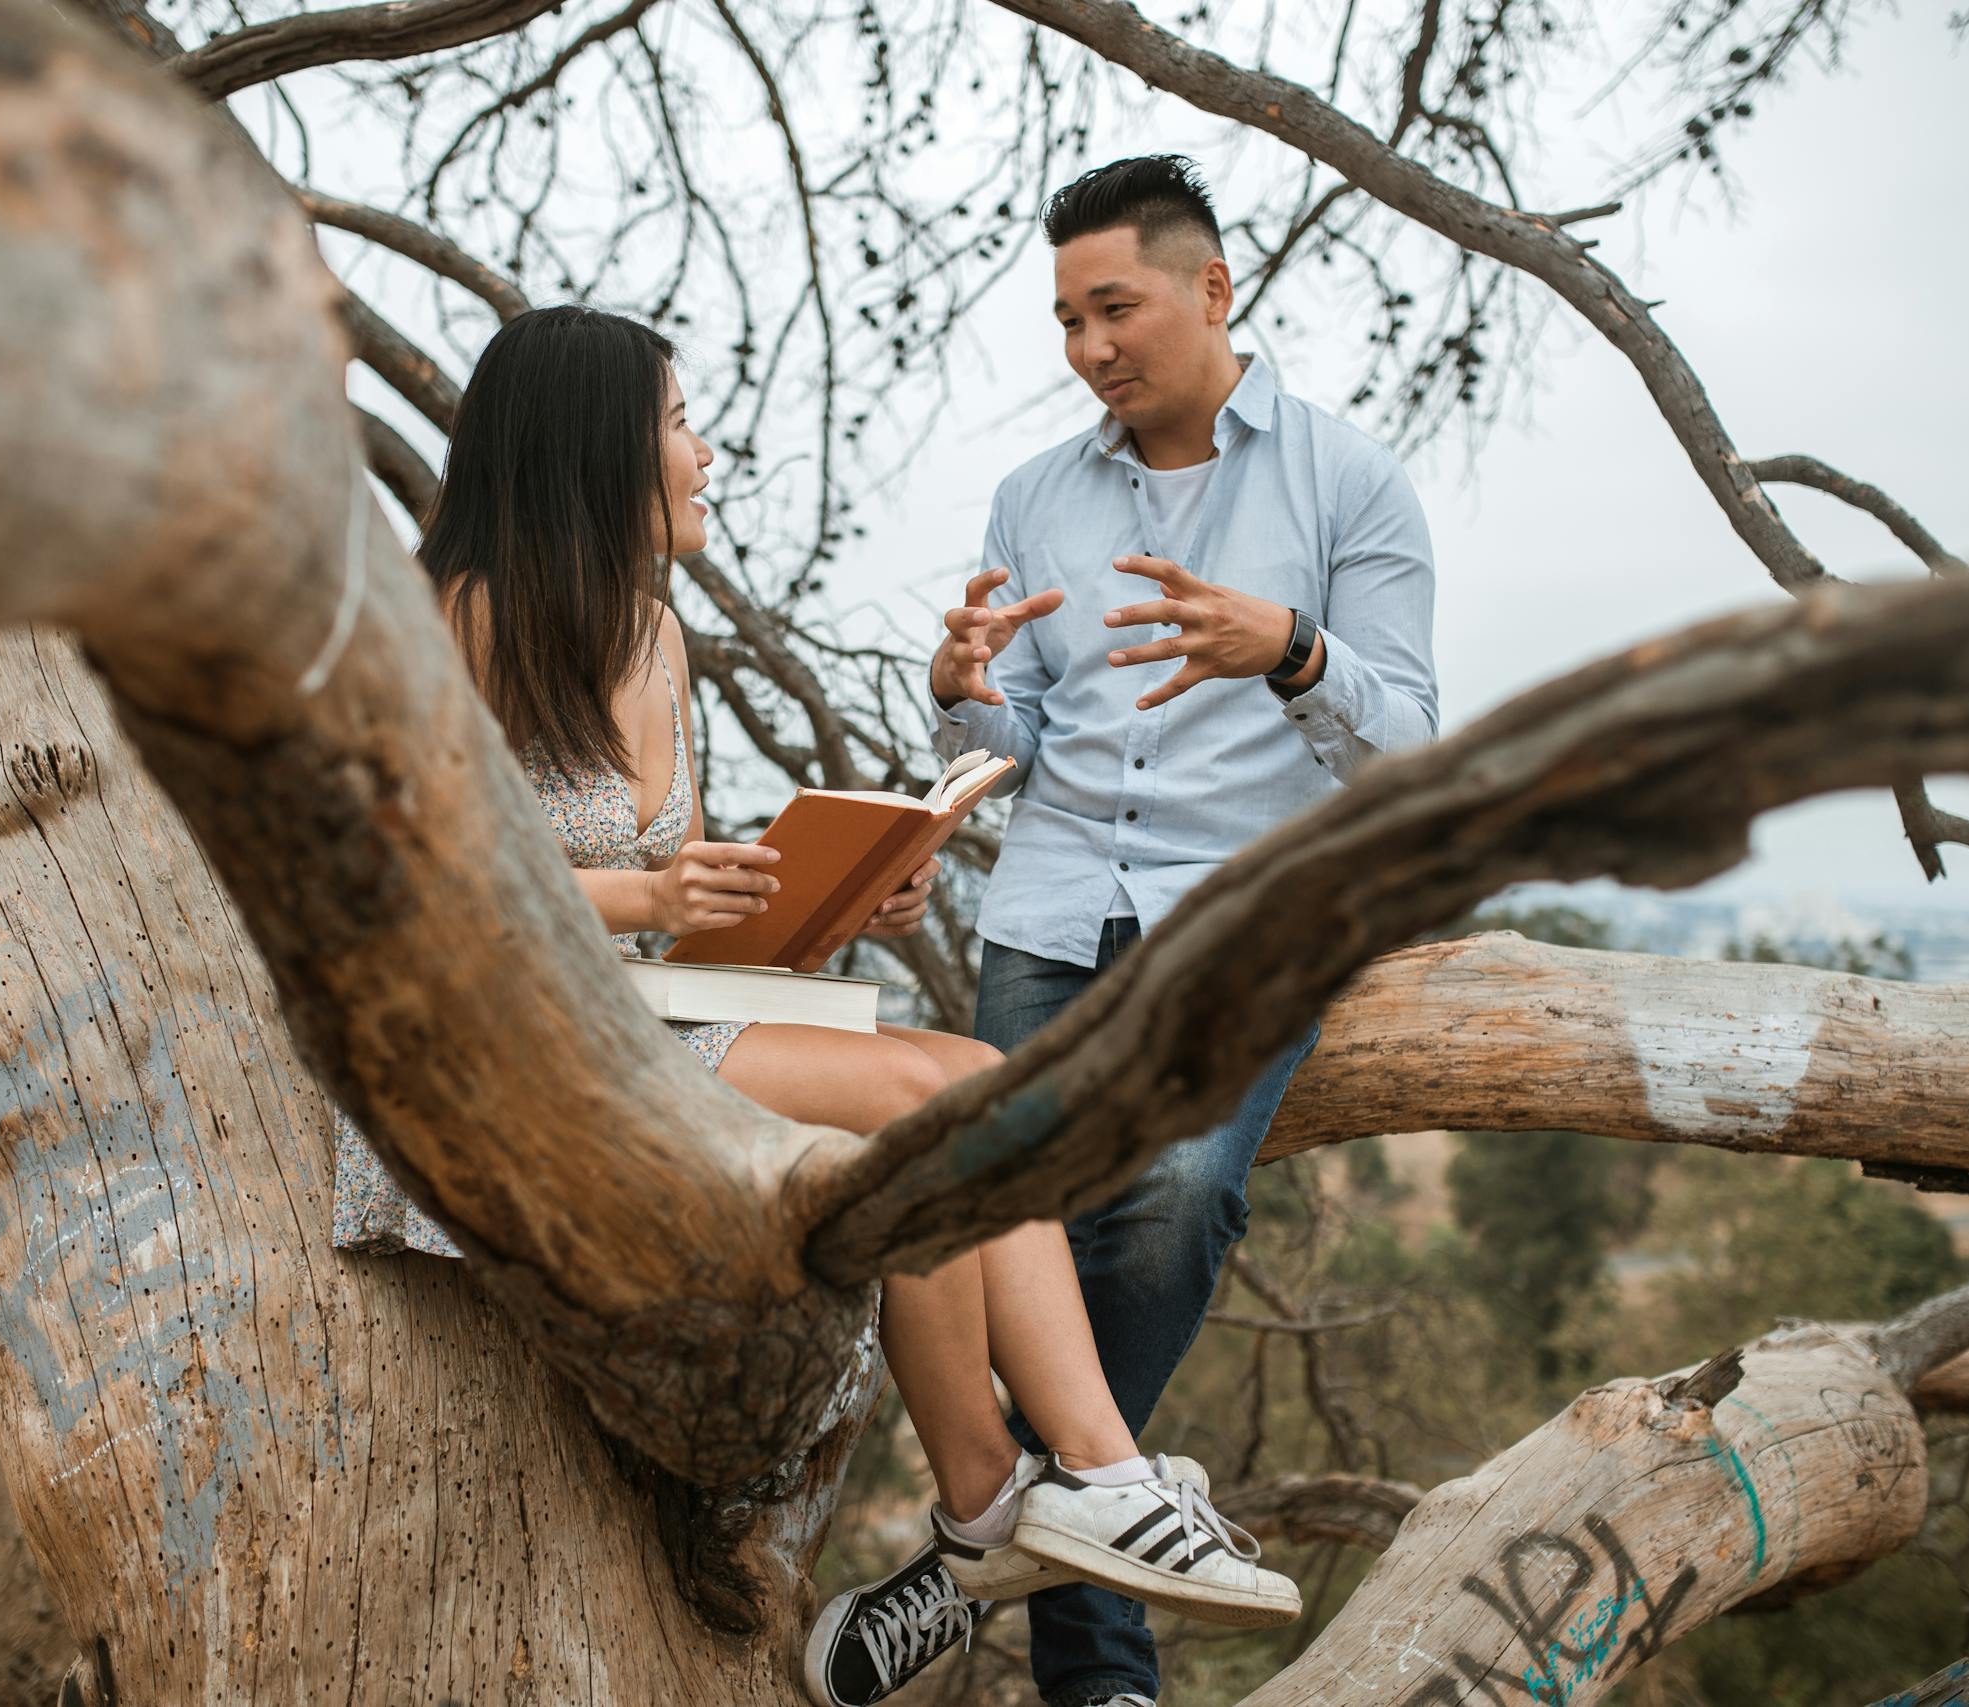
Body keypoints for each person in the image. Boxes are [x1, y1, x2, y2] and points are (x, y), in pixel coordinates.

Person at [321, 306, 1302, 1707]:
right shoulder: (459, 616)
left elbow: (676, 888)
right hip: (487, 1067)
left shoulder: (652, 632)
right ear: (594, 449)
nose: (704, 452)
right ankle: (1077, 1483)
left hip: (632, 1025)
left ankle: (1005, 1504)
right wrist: (653, 907)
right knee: (950, 1100)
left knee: (978, 1075)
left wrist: (834, 899)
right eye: (674, 423)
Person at [809, 157, 1439, 1707]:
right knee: (970, 1214)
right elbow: (1016, 726)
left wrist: (1287, 649)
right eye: (1069, 319)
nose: (1091, 346)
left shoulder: (1351, 484)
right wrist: (960, 682)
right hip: (1054, 906)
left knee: (1164, 1202)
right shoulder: (1036, 498)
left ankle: (981, 1554)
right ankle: (1102, 1670)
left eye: (1117, 306)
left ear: (1213, 291)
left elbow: (1416, 752)